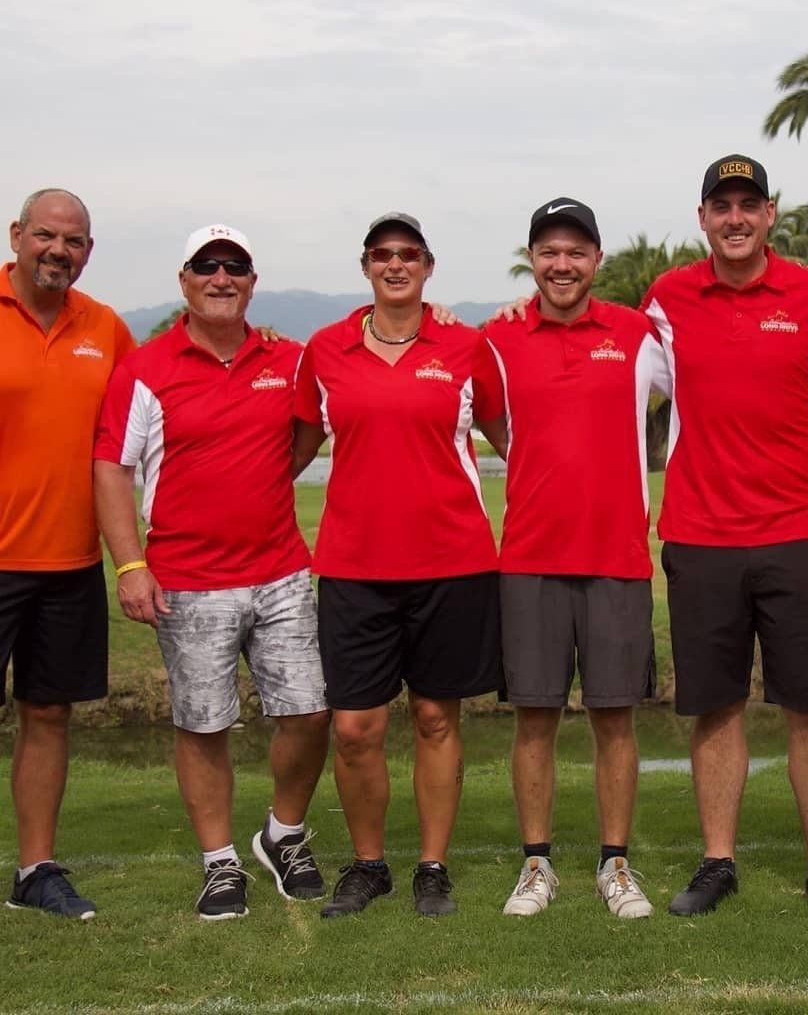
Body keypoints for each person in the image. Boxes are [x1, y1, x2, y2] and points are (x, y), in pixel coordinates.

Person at [638, 154, 808, 923]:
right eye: (720, 205)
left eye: (748, 204)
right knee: (717, 707)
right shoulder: (667, 300)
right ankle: (717, 860)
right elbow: (608, 364)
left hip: (798, 534)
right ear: (702, 217)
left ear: (770, 214)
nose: (735, 218)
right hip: (700, 537)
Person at [93, 224, 331, 921]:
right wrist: (130, 563)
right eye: (208, 266)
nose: (222, 277)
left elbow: (311, 426)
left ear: (252, 282)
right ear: (185, 280)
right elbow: (112, 466)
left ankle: (282, 834)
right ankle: (219, 862)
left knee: (311, 712)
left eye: (236, 267)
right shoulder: (146, 367)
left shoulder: (287, 359)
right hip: (187, 578)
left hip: (282, 570)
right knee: (203, 725)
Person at [292, 212, 506, 919]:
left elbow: (510, 438)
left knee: (437, 717)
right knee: (356, 728)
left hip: (452, 561)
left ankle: (432, 868)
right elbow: (291, 451)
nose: (395, 264)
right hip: (354, 567)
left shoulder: (466, 345)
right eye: (382, 254)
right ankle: (369, 863)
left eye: (407, 254)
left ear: (427, 265)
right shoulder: (324, 350)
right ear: (365, 267)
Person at [485, 199, 669, 920]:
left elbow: (708, 391)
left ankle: (613, 865)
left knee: (614, 717)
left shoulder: (638, 334)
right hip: (529, 554)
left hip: (617, 554)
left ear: (597, 260)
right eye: (548, 251)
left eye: (576, 251)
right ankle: (537, 866)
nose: (562, 264)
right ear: (532, 258)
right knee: (534, 718)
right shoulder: (496, 338)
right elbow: (487, 416)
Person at [0, 189, 136, 921]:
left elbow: (148, 416)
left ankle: (34, 871)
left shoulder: (106, 328)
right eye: (46, 236)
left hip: (68, 562)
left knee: (48, 714)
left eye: (74, 241)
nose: (59, 250)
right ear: (17, 235)